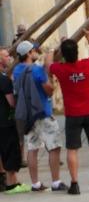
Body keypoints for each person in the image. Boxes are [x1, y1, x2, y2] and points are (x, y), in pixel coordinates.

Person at [49, 32, 89, 195]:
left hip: (73, 114)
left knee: (72, 149)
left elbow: (48, 63)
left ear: (64, 55)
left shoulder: (60, 69)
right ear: (77, 52)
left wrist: (54, 49)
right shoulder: (88, 64)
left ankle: (75, 184)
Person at [13, 41, 64, 192]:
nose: (36, 51)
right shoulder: (36, 70)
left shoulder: (16, 70)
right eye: (34, 50)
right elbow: (49, 90)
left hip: (28, 115)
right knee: (54, 147)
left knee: (32, 148)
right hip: (43, 112)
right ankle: (56, 182)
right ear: (29, 53)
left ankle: (35, 183)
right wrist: (51, 80)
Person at [0, 47, 28, 195]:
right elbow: (11, 103)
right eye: (6, 56)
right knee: (11, 151)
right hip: (6, 121)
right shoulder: (4, 80)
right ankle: (11, 184)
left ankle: (10, 181)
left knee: (3, 151)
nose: (10, 58)